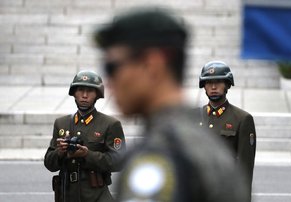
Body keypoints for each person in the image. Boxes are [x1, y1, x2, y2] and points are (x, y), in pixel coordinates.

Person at [94, 8, 247, 202]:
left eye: (112, 67)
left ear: (152, 65)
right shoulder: (207, 146)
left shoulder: (158, 157)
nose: (108, 81)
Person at [44, 70, 126, 202]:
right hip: (67, 194)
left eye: (90, 91)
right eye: (80, 90)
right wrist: (59, 152)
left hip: (96, 196)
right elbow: (49, 163)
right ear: (74, 93)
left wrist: (87, 155)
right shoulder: (62, 123)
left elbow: (118, 161)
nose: (84, 95)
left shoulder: (110, 124)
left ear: (97, 94)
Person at [199, 61, 256, 202]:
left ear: (227, 85)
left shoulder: (242, 119)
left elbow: (244, 171)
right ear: (203, 86)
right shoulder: (193, 118)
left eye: (218, 82)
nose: (213, 87)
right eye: (208, 82)